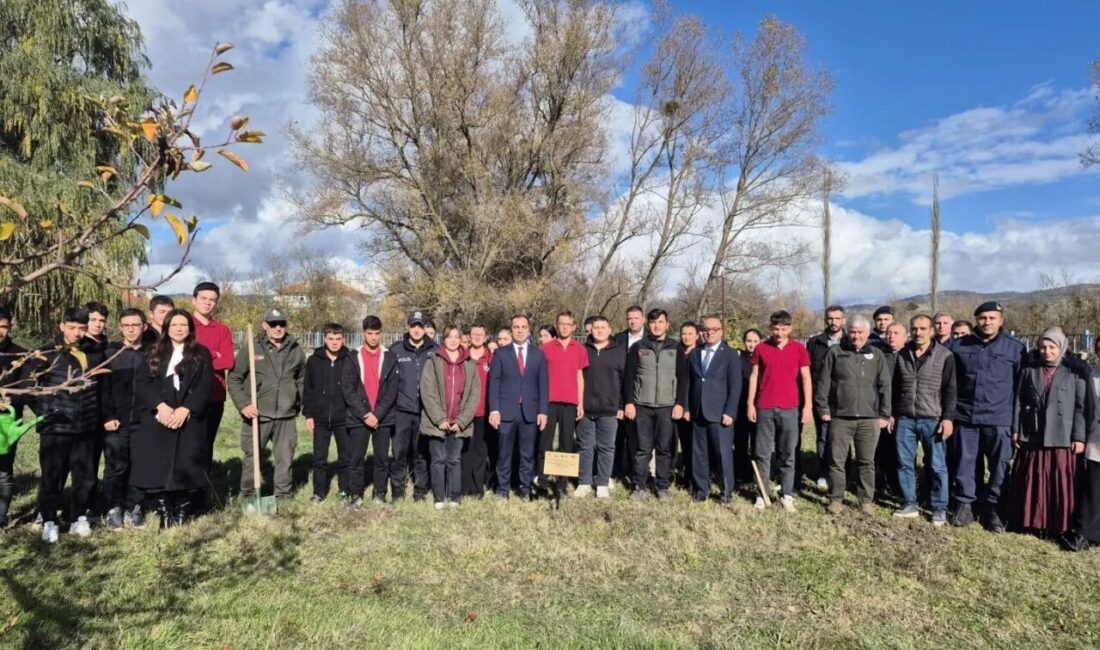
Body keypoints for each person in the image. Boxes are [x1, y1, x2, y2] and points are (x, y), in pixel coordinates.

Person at [22, 308, 104, 542]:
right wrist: (46, 412)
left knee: (84, 475)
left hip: (85, 425)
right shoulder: (46, 353)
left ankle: (79, 517)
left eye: (82, 328)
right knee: (53, 474)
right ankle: (49, 520)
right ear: (62, 326)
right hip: (56, 427)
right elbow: (28, 387)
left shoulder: (93, 351)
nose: (77, 333)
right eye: (72, 328)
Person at [131, 310, 214, 529]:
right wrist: (159, 405)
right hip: (160, 417)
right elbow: (142, 383)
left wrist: (187, 408)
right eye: (174, 324)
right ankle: (164, 512)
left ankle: (181, 512)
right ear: (167, 327)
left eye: (183, 324)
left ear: (190, 328)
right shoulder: (153, 351)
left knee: (187, 464)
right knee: (159, 466)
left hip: (189, 418)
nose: (179, 329)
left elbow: (205, 384)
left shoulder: (201, 353)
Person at [950, 301, 1025, 532]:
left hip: (999, 418)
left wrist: (1015, 425)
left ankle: (994, 509)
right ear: (976, 320)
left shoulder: (1015, 349)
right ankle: (965, 504)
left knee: (999, 467)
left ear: (1001, 321)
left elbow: (1020, 389)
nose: (987, 322)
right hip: (966, 417)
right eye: (983, 318)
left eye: (992, 318)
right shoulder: (959, 346)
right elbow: (951, 383)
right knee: (965, 463)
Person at [1009, 328, 1085, 538]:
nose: (1047, 351)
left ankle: (1058, 524)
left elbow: (1080, 408)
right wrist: (1016, 429)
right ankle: (1030, 521)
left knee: (1059, 481)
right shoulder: (1029, 371)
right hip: (1033, 434)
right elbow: (1018, 402)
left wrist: (1079, 437)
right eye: (1043, 347)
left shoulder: (1074, 373)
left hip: (1061, 435)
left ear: (1061, 348)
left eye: (1052, 347)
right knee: (1033, 478)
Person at [815, 314, 892, 516]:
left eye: (860, 332)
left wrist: (884, 414)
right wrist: (823, 409)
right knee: (837, 461)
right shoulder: (835, 352)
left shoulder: (876, 355)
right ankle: (836, 499)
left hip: (869, 419)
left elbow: (885, 386)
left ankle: (865, 501)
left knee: (867, 462)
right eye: (853, 332)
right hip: (840, 418)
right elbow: (823, 383)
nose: (856, 336)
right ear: (846, 332)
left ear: (868, 333)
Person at [228, 308, 305, 501]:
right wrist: (244, 405)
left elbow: (302, 379)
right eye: (273, 324)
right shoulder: (252, 348)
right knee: (252, 457)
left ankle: (283, 496)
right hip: (258, 414)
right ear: (265, 325)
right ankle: (249, 495)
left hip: (286, 415)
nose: (278, 328)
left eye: (282, 324)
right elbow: (234, 378)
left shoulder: (295, 349)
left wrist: (299, 403)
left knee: (285, 458)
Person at [890, 314, 956, 526]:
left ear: (931, 331)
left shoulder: (945, 356)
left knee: (937, 465)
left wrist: (947, 418)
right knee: (904, 463)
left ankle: (939, 507)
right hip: (905, 418)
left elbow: (950, 390)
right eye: (915, 329)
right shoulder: (902, 354)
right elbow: (895, 387)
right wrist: (892, 413)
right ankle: (909, 503)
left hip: (932, 418)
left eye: (923, 328)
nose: (918, 333)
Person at [748, 310, 813, 510]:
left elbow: (806, 378)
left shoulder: (799, 349)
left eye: (784, 329)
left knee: (788, 453)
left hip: (790, 408)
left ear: (790, 328)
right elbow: (754, 376)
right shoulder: (761, 348)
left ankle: (787, 494)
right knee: (762, 453)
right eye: (776, 329)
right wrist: (750, 404)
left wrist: (808, 406)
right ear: (770, 328)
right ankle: (762, 494)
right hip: (764, 407)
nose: (779, 333)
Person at [622, 308, 685, 501]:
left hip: (667, 406)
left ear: (667, 324)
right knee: (643, 449)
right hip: (642, 406)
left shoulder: (676, 348)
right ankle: (638, 486)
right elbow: (629, 377)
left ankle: (662, 486)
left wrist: (679, 403)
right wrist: (629, 402)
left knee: (664, 448)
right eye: (653, 322)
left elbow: (683, 378)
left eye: (660, 322)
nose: (656, 326)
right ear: (647, 324)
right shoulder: (638, 347)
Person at [101, 308, 152, 530]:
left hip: (144, 422)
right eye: (126, 325)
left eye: (135, 325)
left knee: (140, 465)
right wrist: (108, 415)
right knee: (116, 467)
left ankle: (134, 507)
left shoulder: (152, 354)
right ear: (120, 328)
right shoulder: (111, 354)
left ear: (144, 327)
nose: (131, 329)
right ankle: (113, 508)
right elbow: (103, 389)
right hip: (117, 422)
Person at [683, 316, 741, 504]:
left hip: (720, 413)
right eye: (706, 329)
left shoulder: (730, 354)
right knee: (699, 454)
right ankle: (701, 490)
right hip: (698, 411)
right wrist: (687, 407)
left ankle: (726, 492)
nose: (709, 333)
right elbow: (689, 383)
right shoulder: (695, 353)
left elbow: (735, 386)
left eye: (714, 329)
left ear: (721, 331)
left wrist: (730, 412)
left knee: (722, 454)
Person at [420, 327, 480, 508]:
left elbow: (474, 395)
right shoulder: (433, 360)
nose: (453, 340)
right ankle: (439, 498)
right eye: (449, 337)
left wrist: (462, 421)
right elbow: (427, 391)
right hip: (437, 422)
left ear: (461, 340)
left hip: (458, 423)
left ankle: (454, 497)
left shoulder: (469, 363)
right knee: (438, 460)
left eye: (456, 337)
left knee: (454, 460)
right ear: (443, 339)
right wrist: (439, 419)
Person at [489, 314, 548, 498]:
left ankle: (525, 488)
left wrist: (543, 411)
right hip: (506, 411)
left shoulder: (538, 355)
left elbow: (543, 384)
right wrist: (494, 409)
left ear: (529, 330)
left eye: (523, 327)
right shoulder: (501, 354)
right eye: (516, 327)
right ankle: (503, 489)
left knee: (527, 454)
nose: (520, 330)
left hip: (530, 412)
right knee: (504, 453)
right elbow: (494, 383)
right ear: (511, 330)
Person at [343, 316, 398, 504]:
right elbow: (348, 389)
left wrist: (378, 414)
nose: (373, 337)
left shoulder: (390, 357)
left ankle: (379, 493)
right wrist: (365, 414)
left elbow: (392, 390)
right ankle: (356, 494)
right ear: (363, 333)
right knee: (356, 459)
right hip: (359, 417)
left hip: (383, 417)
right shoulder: (353, 356)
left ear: (381, 333)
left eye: (376, 333)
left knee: (381, 459)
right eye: (369, 333)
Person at [538, 312, 588, 496]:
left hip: (570, 403)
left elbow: (580, 376)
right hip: (549, 402)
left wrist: (580, 402)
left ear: (574, 327)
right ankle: (542, 481)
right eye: (561, 323)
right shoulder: (546, 348)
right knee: (545, 442)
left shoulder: (580, 349)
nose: (565, 327)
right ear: (557, 325)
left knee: (566, 444)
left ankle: (561, 483)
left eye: (568, 324)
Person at [303, 323, 354, 503]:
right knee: (319, 458)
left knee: (345, 457)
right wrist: (309, 415)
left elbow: (355, 387)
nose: (334, 342)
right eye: (330, 338)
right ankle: (319, 493)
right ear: (324, 339)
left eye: (338, 339)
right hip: (320, 418)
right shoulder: (313, 361)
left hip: (344, 417)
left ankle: (344, 491)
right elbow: (308, 389)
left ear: (343, 339)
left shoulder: (350, 359)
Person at [191, 282, 235, 482]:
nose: (208, 303)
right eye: (204, 298)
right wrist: (213, 355)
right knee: (189, 443)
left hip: (214, 395)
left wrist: (202, 359)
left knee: (207, 442)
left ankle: (203, 484)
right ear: (194, 300)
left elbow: (228, 361)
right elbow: (185, 361)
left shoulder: (222, 329)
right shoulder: (184, 326)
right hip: (188, 395)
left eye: (212, 300)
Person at [391, 310, 436, 501]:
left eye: (420, 326)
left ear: (425, 328)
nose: (417, 330)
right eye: (413, 326)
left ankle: (420, 491)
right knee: (399, 452)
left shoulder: (434, 350)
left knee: (421, 453)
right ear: (408, 327)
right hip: (401, 411)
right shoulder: (396, 350)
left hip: (424, 411)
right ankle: (398, 491)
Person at [577, 316, 625, 498]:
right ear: (591, 330)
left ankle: (602, 483)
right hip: (585, 409)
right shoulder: (582, 350)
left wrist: (621, 405)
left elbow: (625, 381)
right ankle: (584, 481)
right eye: (596, 327)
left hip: (609, 409)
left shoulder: (619, 352)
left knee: (607, 447)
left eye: (603, 327)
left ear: (609, 330)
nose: (599, 330)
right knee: (585, 446)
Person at [806, 306, 846, 490]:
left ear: (843, 320)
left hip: (845, 399)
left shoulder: (850, 341)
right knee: (823, 437)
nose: (834, 322)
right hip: (822, 398)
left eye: (837, 318)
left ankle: (843, 472)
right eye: (830, 318)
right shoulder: (815, 342)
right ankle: (824, 473)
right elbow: (808, 372)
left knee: (842, 438)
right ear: (825, 320)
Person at [613, 305, 646, 485]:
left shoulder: (651, 339)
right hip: (619, 394)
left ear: (643, 319)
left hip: (643, 396)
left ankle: (637, 472)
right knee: (618, 436)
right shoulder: (617, 340)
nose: (632, 321)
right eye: (629, 318)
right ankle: (616, 471)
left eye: (636, 318)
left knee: (638, 439)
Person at [0, 307, 26, 530]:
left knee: (3, 471)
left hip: (7, 423)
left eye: (3, 326)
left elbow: (28, 389)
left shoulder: (20, 355)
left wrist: (11, 399)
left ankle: (0, 518)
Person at [875, 322, 908, 497]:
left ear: (905, 337)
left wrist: (895, 413)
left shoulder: (910, 355)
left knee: (903, 453)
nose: (891, 336)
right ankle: (882, 484)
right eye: (889, 333)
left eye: (896, 333)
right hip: (882, 411)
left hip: (904, 411)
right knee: (882, 450)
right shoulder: (879, 355)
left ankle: (901, 487)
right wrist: (886, 413)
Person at [461, 325, 493, 497]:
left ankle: (476, 488)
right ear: (469, 336)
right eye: (474, 334)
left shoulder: (491, 357)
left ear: (486, 337)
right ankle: (463, 487)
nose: (477, 337)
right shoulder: (462, 356)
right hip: (464, 413)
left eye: (481, 334)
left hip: (483, 412)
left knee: (480, 451)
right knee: (465, 450)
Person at [735, 329, 761, 488]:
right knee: (740, 442)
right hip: (740, 406)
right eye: (749, 341)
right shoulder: (738, 358)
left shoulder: (763, 357)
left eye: (755, 341)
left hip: (759, 406)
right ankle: (742, 475)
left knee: (758, 443)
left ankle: (758, 475)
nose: (752, 344)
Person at [676, 321, 700, 488]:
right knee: (682, 442)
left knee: (694, 444)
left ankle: (693, 476)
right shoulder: (677, 351)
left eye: (690, 334)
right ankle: (683, 473)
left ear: (697, 336)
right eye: (684, 333)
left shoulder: (700, 353)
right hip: (675, 403)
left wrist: (687, 407)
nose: (686, 337)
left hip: (693, 405)